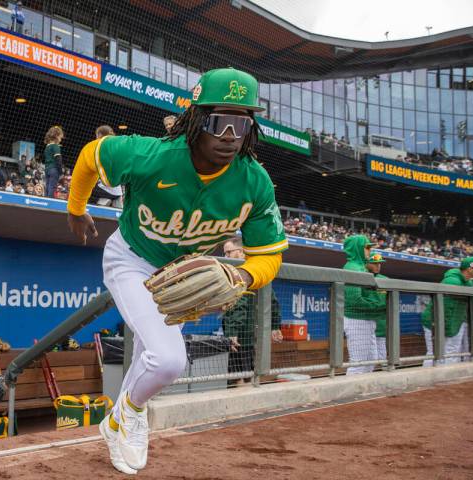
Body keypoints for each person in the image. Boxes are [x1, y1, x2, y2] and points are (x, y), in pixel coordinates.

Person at [66, 67, 287, 474]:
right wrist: (76, 208)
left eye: (242, 124)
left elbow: (269, 255)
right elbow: (89, 155)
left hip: (182, 275)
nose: (230, 136)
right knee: (169, 360)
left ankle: (118, 418)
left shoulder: (255, 182)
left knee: (155, 356)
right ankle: (129, 415)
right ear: (197, 118)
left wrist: (242, 276)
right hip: (131, 258)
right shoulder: (150, 155)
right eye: (221, 122)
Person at [221, 236, 283, 385]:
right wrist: (275, 326)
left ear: (241, 252)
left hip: (240, 337)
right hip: (253, 335)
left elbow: (239, 305)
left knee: (238, 379)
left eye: (229, 252)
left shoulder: (239, 272)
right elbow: (273, 301)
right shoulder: (260, 269)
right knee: (249, 375)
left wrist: (232, 332)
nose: (226, 257)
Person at [421, 256, 473, 366]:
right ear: (470, 269)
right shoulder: (451, 280)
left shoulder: (469, 283)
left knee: (451, 352)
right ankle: (429, 380)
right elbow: (444, 308)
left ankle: (445, 379)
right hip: (435, 321)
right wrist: (445, 328)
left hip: (453, 322)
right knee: (434, 353)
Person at [342, 235, 384, 375]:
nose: (369, 250)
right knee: (358, 364)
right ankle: (349, 394)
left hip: (365, 319)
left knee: (371, 360)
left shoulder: (361, 267)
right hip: (356, 320)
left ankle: (362, 391)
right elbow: (355, 300)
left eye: (369, 247)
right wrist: (379, 307)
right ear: (358, 248)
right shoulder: (353, 268)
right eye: (366, 247)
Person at [365, 253, 389, 364]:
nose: (378, 266)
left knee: (381, 350)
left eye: (379, 263)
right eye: (375, 263)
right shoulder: (361, 277)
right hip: (366, 320)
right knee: (368, 354)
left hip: (381, 321)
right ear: (367, 263)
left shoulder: (385, 280)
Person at [91, 126, 123, 207]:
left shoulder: (99, 148)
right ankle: (107, 200)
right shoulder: (117, 147)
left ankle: (103, 201)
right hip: (118, 191)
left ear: (99, 135)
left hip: (105, 190)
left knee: (86, 187)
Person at [43, 126, 64, 198]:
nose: (61, 139)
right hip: (54, 169)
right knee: (52, 187)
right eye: (60, 137)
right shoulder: (55, 146)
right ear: (57, 136)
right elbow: (58, 159)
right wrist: (61, 172)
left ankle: (45, 202)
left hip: (47, 169)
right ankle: (49, 204)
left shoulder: (47, 147)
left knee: (47, 187)